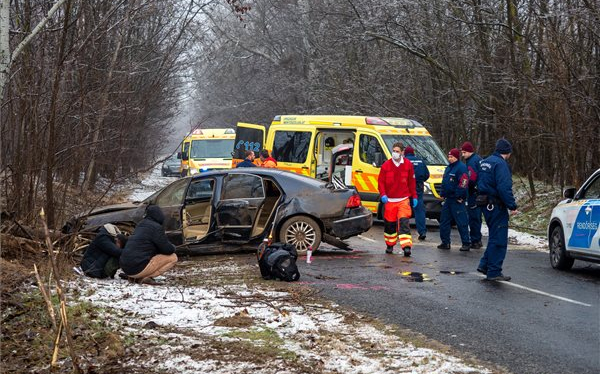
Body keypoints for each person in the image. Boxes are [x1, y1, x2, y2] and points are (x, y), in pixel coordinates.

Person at [476, 139, 518, 281]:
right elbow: (504, 187)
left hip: (485, 203)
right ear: (508, 152)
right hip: (496, 205)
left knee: (494, 236)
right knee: (499, 239)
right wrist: (512, 205)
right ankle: (494, 271)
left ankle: (484, 265)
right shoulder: (501, 165)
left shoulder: (485, 162)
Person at [119, 205, 178, 284]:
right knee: (173, 257)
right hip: (137, 269)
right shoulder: (156, 227)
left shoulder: (140, 225)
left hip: (126, 267)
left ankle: (135, 277)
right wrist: (173, 247)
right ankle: (145, 277)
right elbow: (167, 249)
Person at [378, 142, 417, 256]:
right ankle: (390, 245)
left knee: (404, 223)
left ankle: (406, 247)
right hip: (390, 200)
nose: (395, 153)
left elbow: (411, 182)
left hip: (403, 199)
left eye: (397, 151)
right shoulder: (386, 165)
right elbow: (381, 182)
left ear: (402, 152)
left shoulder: (408, 165)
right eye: (393, 151)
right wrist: (383, 194)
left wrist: (414, 196)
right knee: (390, 225)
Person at [437, 148, 471, 251]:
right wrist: (442, 193)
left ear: (456, 157)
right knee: (444, 221)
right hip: (448, 199)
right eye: (449, 156)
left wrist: (459, 196)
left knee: (461, 222)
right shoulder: (448, 168)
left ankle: (466, 243)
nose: (450, 158)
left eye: (452, 157)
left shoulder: (461, 168)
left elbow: (463, 183)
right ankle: (445, 242)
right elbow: (445, 181)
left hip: (457, 200)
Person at [404, 146, 430, 241]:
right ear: (413, 153)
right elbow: (427, 174)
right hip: (418, 188)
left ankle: (403, 231)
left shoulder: (404, 161)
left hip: (406, 188)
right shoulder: (420, 161)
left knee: (404, 210)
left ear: (405, 153)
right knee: (419, 210)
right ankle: (422, 231)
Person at [461, 141, 483, 249]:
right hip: (479, 192)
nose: (463, 155)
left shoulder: (472, 162)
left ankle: (475, 240)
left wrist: (465, 187)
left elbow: (472, 178)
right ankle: (477, 239)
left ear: (470, 152)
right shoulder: (478, 159)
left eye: (464, 152)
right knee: (477, 217)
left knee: (473, 217)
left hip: (474, 193)